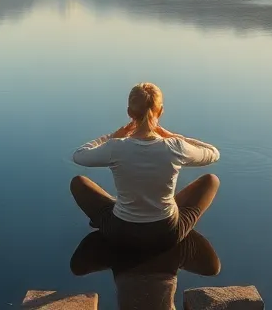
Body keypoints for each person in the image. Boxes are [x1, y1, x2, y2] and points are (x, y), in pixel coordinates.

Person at [69, 83, 220, 251]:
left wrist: (112, 137)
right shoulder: (175, 146)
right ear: (160, 111)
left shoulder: (116, 147)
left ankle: (117, 209)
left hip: (120, 232)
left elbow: (79, 155)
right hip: (168, 233)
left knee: (78, 183)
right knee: (211, 180)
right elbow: (213, 153)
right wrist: (175, 137)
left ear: (129, 112)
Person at [70, 230, 220, 310]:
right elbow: (212, 267)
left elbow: (78, 266)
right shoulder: (177, 241)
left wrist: (108, 220)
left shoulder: (112, 241)